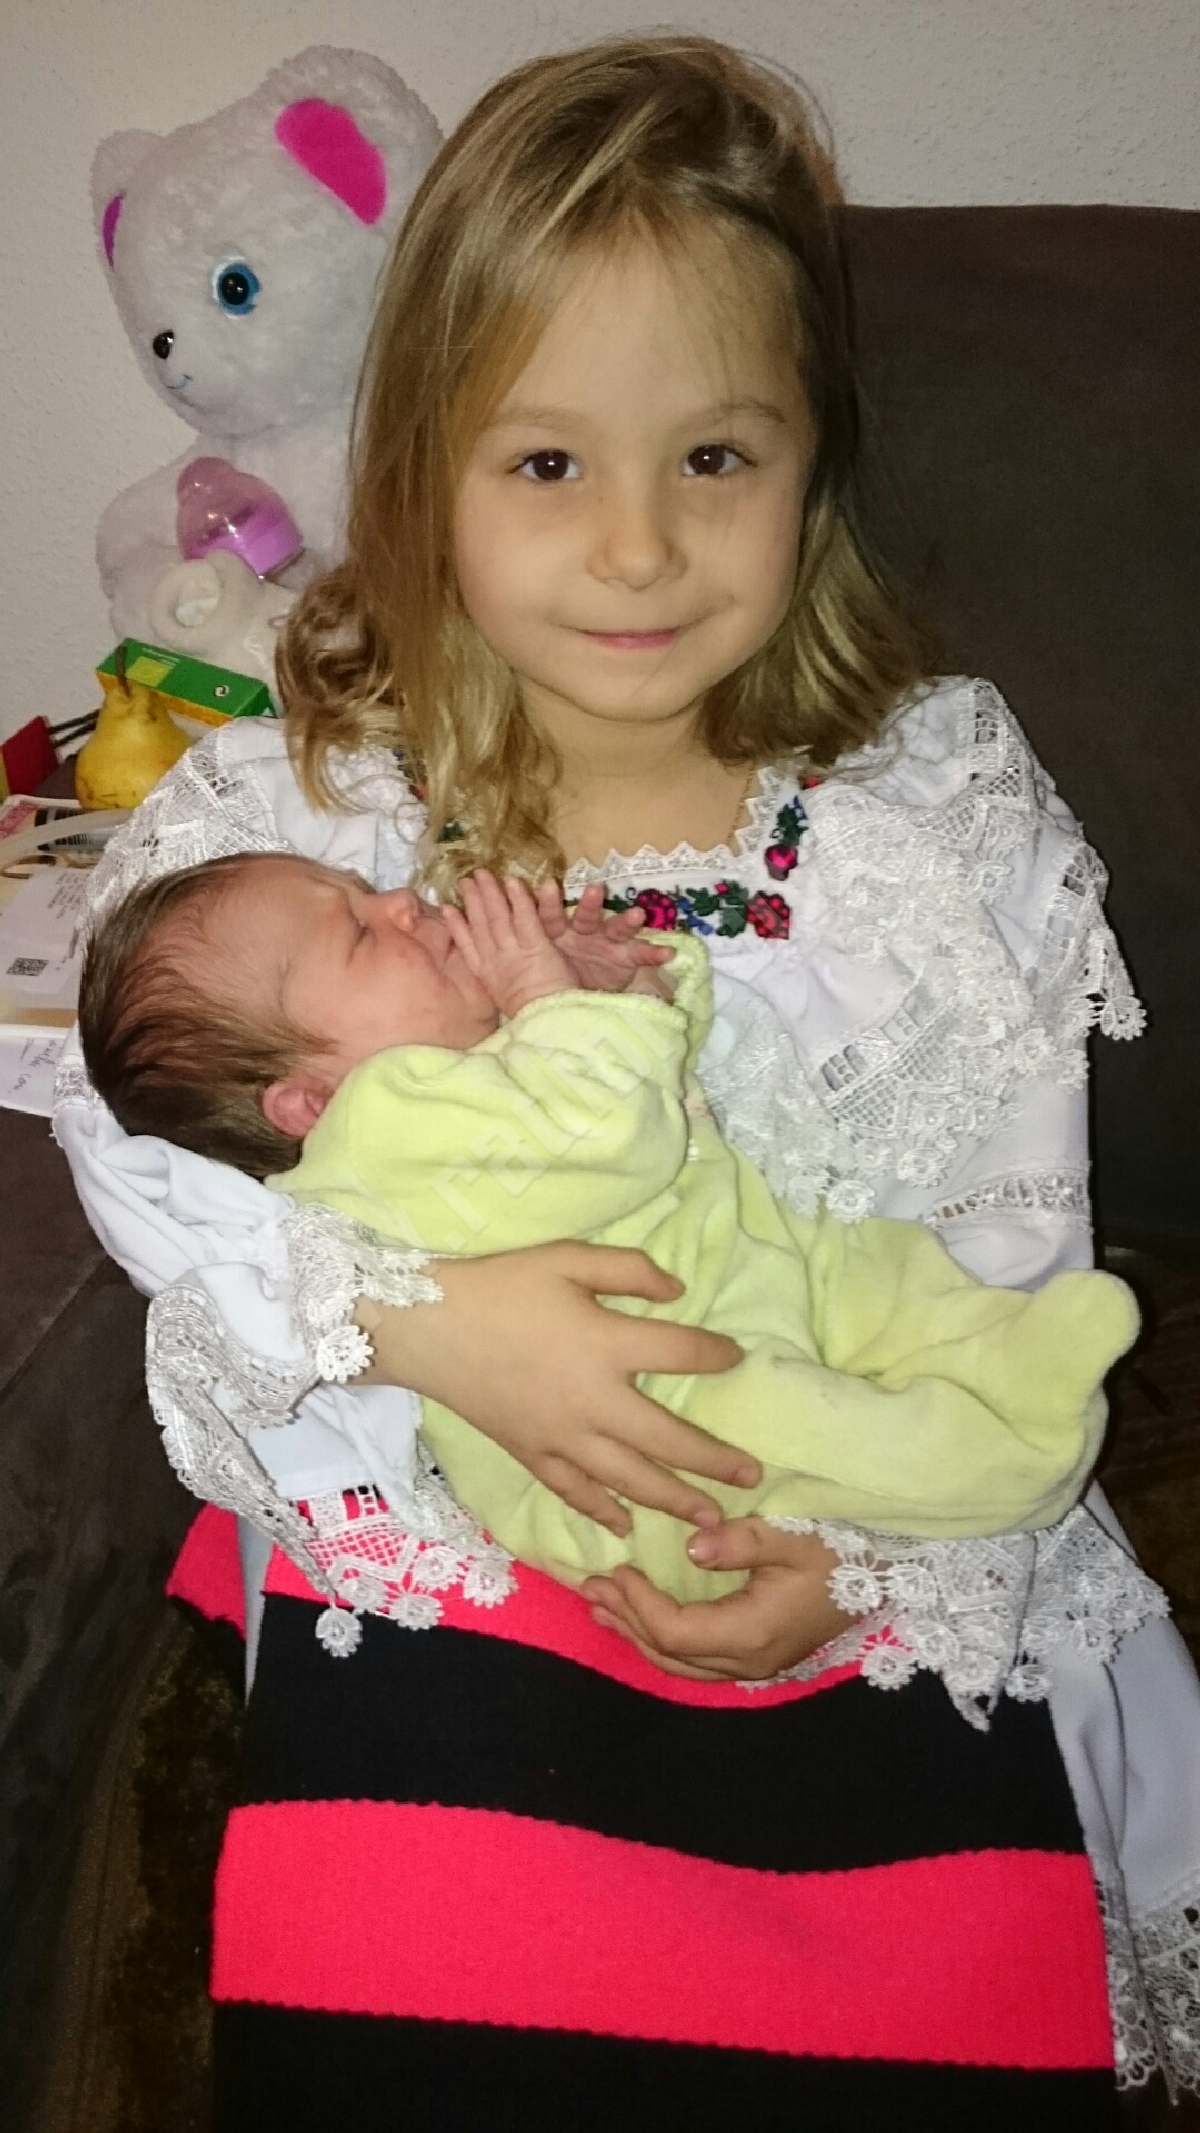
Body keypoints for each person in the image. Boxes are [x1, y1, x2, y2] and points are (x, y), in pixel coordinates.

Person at [57, 32, 1200, 2128]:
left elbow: (1007, 1246)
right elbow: (123, 1143)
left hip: (844, 1476)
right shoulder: (307, 826)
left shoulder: (928, 827)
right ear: (422, 462)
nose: (642, 550)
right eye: (548, 464)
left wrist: (855, 1552)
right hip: (460, 1525)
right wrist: (429, 1324)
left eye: (717, 457)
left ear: (813, 461)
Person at [79, 851, 1136, 1598]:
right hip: (649, 1436)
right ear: (308, 1102)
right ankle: (1004, 1465)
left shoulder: (466, 1060)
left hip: (750, 1268)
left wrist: (626, 985)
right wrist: (552, 1000)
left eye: (368, 888)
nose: (402, 900)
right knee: (806, 1422)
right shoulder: (380, 1133)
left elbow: (655, 1083)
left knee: (884, 1269)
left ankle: (1005, 1353)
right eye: (359, 931)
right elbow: (606, 1135)